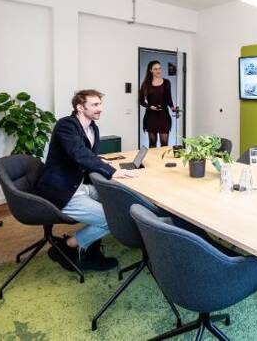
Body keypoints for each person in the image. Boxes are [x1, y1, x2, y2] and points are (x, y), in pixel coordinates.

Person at [35, 89, 137, 271]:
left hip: (79, 186)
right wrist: (112, 172)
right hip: (63, 191)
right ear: (80, 107)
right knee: (113, 220)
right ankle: (69, 246)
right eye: (95, 105)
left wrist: (100, 161)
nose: (100, 108)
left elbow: (86, 154)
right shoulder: (66, 125)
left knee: (114, 196)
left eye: (100, 104)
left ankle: (91, 246)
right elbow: (78, 153)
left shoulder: (92, 128)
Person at [139, 60, 176, 147]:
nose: (158, 71)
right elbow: (141, 101)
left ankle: (163, 157)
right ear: (150, 70)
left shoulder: (166, 82)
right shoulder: (145, 84)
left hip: (164, 116)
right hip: (151, 116)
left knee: (164, 144)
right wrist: (149, 107)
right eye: (155, 69)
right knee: (152, 143)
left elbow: (169, 99)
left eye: (159, 68)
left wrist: (172, 107)